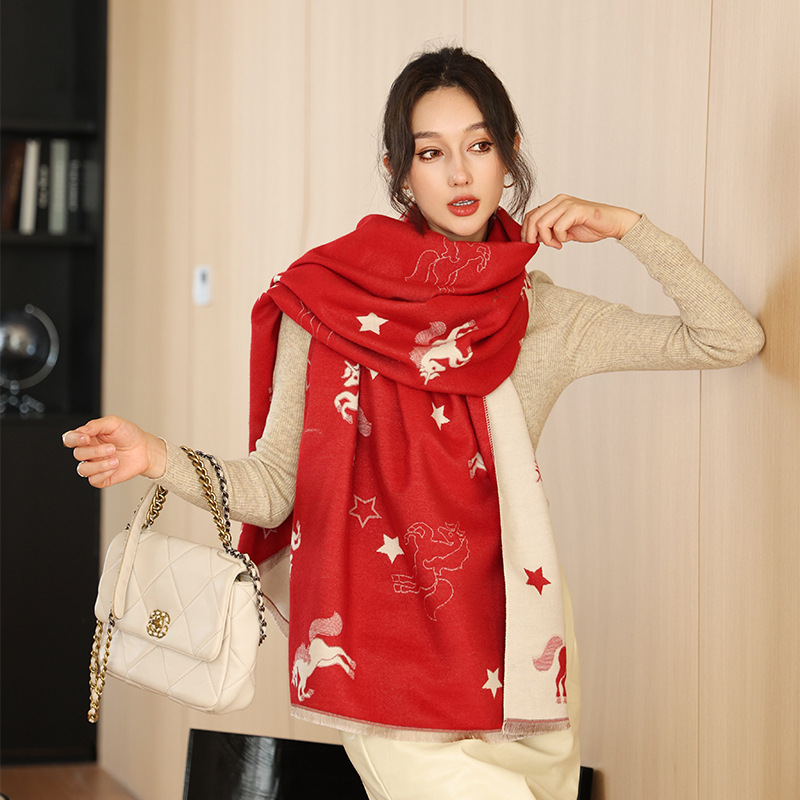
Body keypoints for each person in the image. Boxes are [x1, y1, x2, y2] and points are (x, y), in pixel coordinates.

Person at [62, 47, 764, 800]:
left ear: (509, 154)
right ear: (399, 171)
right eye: (432, 153)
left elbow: (728, 338)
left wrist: (627, 226)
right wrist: (155, 456)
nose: (460, 175)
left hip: (514, 648)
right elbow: (275, 490)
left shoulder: (542, 316)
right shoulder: (328, 303)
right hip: (381, 657)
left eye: (479, 146)